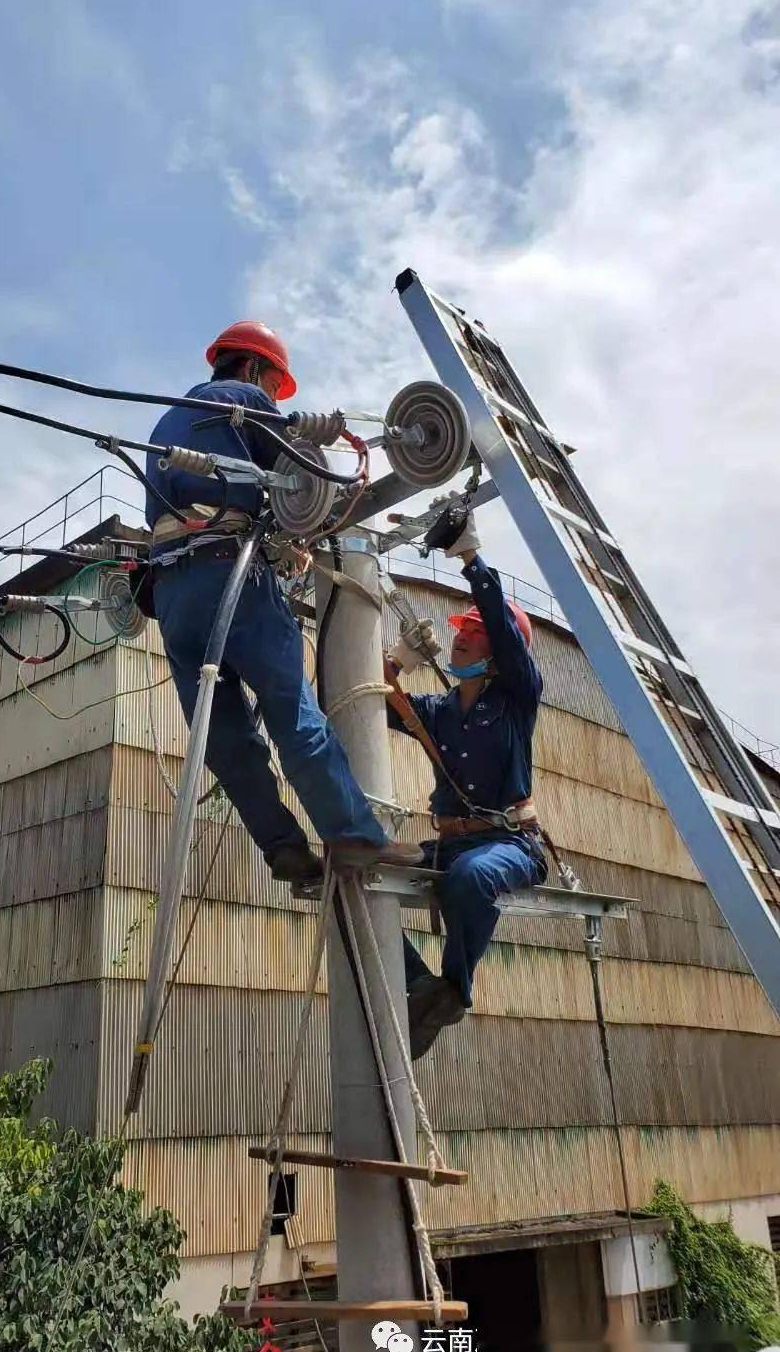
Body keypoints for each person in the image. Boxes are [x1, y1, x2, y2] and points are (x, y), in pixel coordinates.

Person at [143, 320, 415, 884]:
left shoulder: (167, 420)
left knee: (219, 734)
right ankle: (355, 836)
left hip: (170, 590)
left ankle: (282, 848)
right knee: (292, 713)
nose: (270, 396)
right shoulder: (242, 400)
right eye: (272, 384)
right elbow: (308, 473)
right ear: (250, 368)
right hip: (230, 577)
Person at [385, 509, 548, 1058]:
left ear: (499, 659)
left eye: (476, 637)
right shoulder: (437, 710)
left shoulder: (516, 699)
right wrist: (395, 663)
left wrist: (473, 562)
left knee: (471, 878)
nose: (462, 642)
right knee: (358, 877)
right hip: (450, 839)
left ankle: (452, 988)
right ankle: (424, 988)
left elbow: (507, 637)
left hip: (507, 843)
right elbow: (366, 702)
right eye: (464, 633)